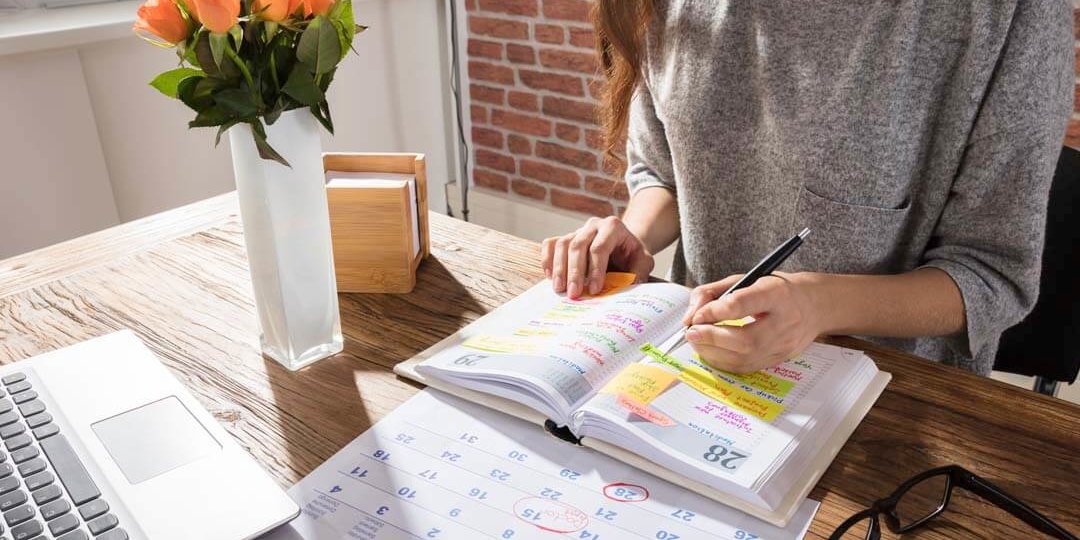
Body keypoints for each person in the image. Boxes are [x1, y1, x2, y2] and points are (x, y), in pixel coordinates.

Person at [540, 1, 1075, 376]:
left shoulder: (1009, 13)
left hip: (888, 399)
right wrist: (633, 236)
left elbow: (992, 274)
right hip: (696, 366)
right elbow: (665, 173)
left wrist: (817, 305)